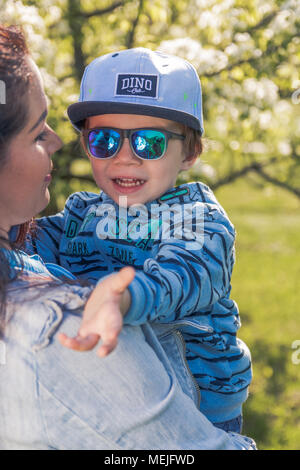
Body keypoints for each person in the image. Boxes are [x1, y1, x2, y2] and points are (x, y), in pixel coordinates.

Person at [0, 24, 257, 450]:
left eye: (149, 141)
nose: (125, 156)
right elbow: (27, 250)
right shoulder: (84, 212)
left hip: (198, 405)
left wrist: (123, 298)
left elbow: (185, 275)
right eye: (103, 140)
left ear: (190, 152)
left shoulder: (197, 219)